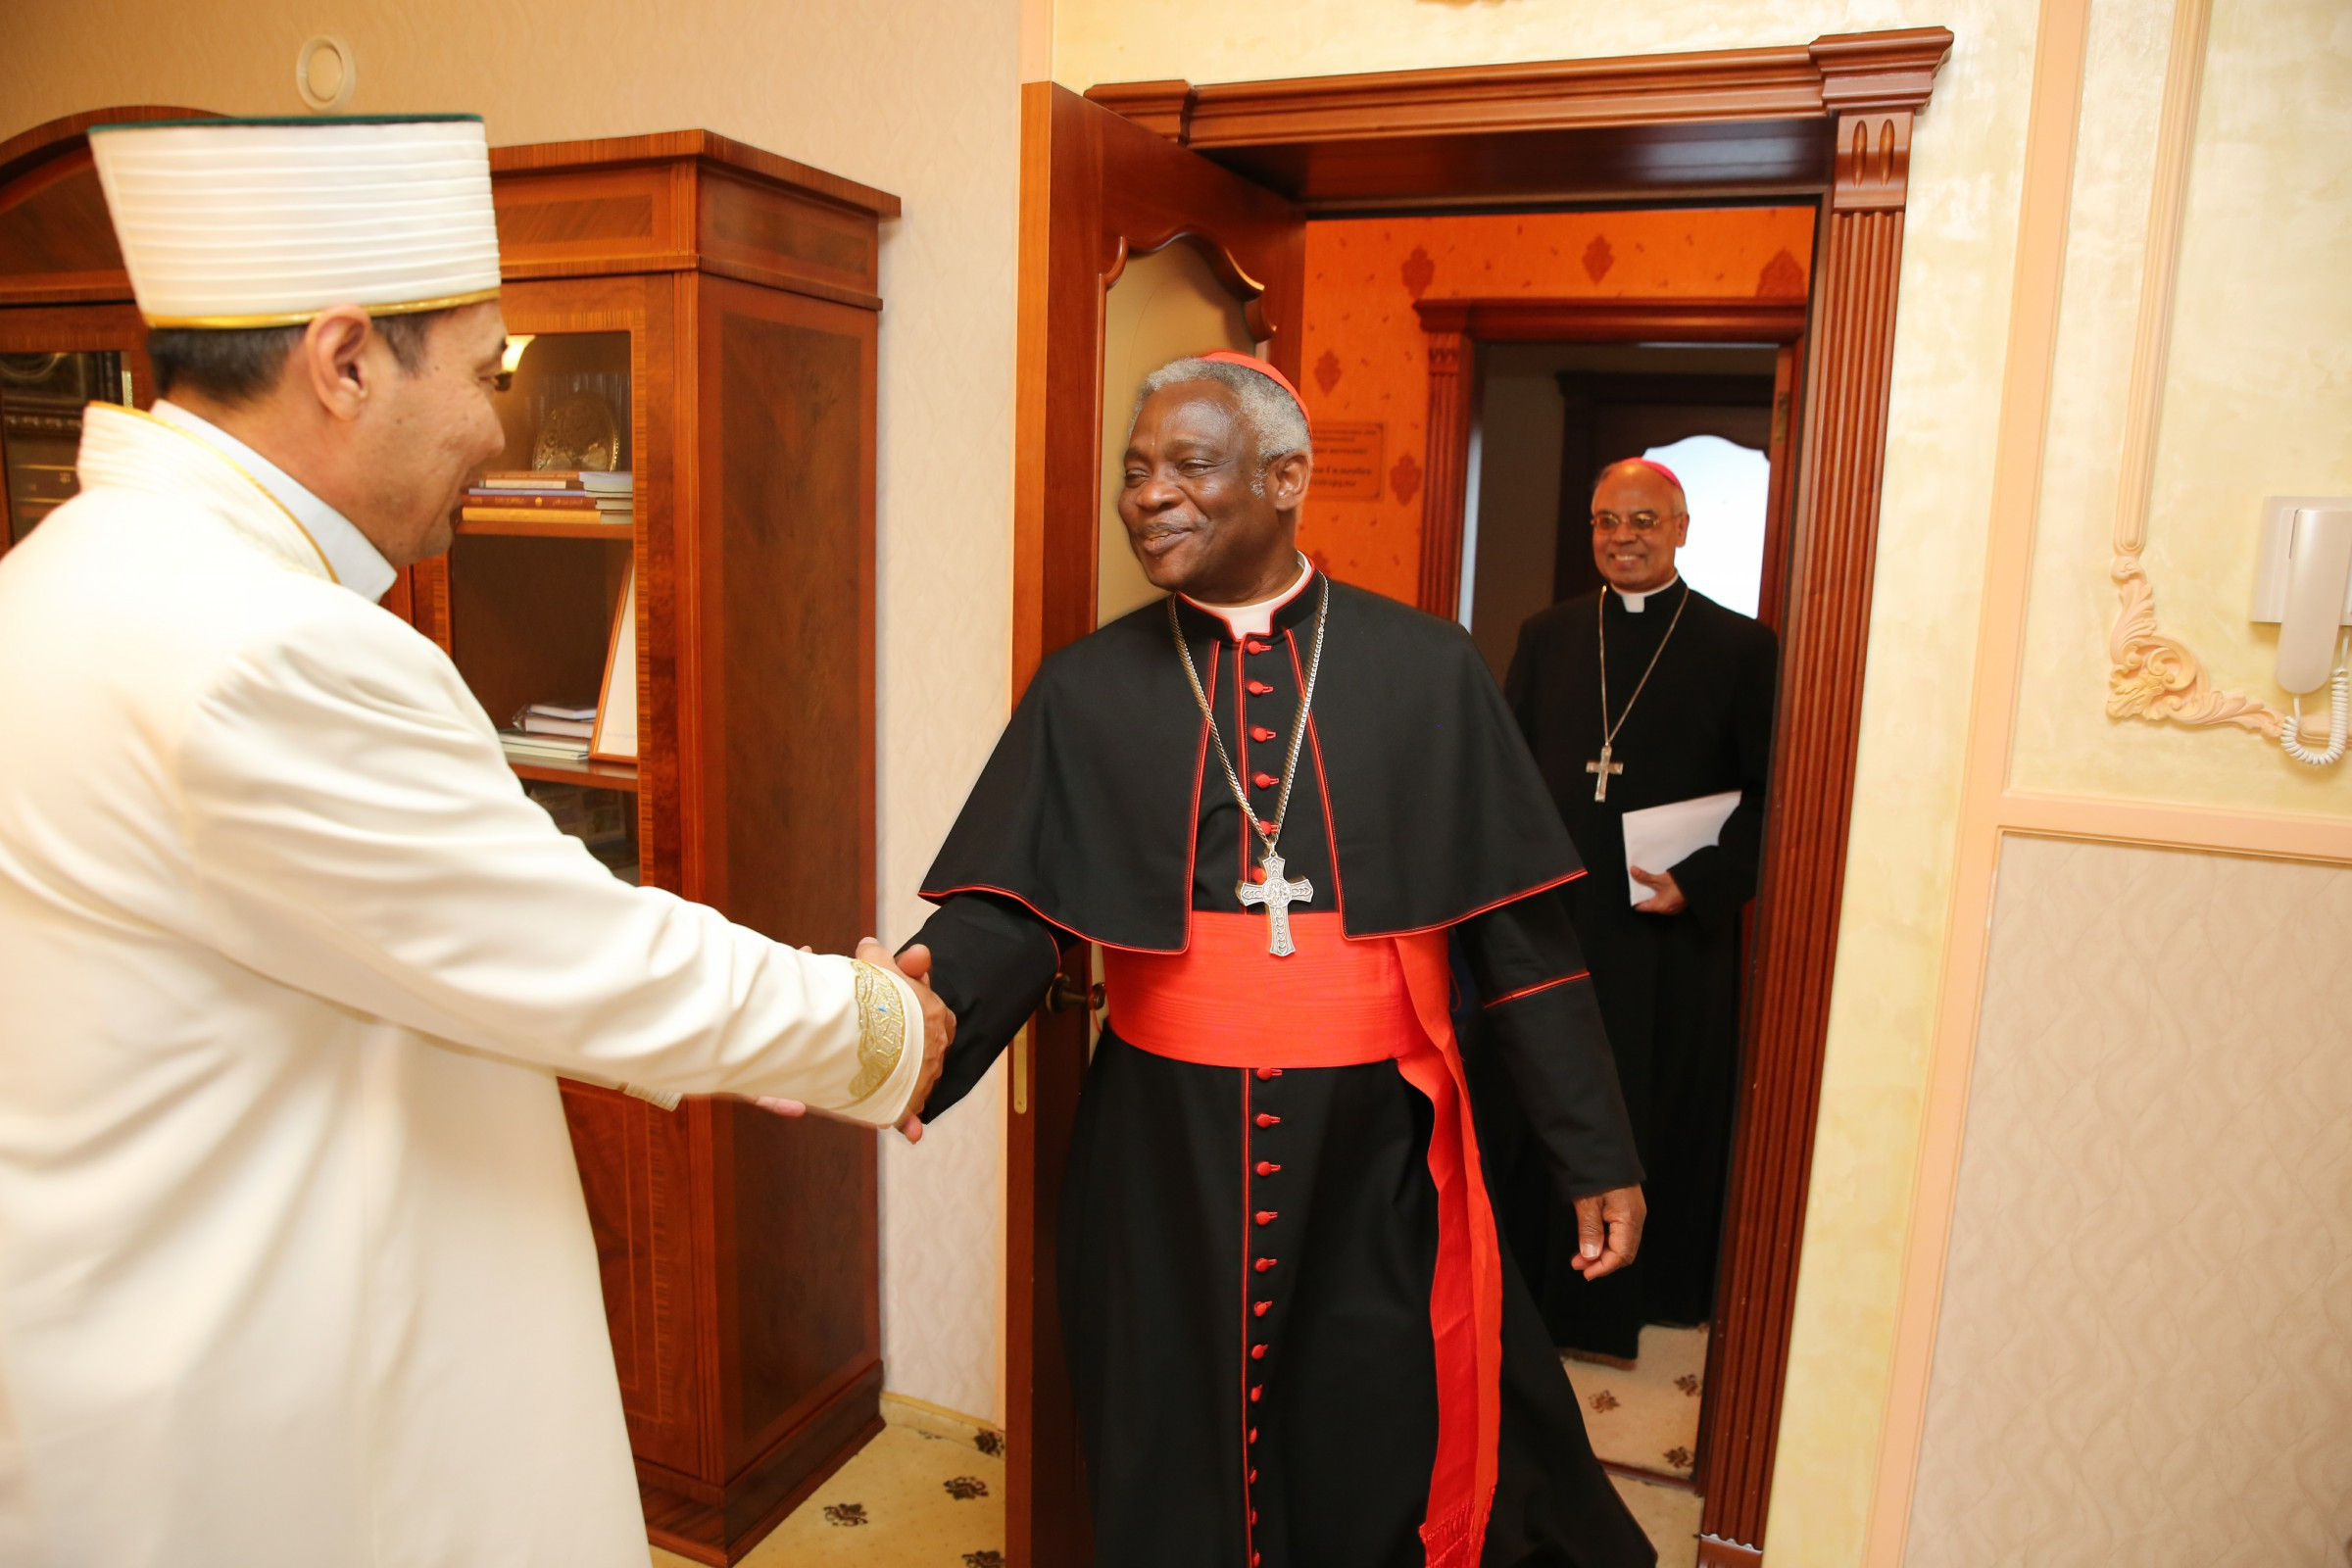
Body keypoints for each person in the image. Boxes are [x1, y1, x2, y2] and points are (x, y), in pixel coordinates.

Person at [0, 115, 949, 1566]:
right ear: (345, 362)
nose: (502, 428)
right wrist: (875, 1029)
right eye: (488, 372)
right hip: (259, 1377)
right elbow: (582, 954)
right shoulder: (261, 646)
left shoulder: (67, 566)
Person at [903, 352, 1656, 1568]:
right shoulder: (1086, 687)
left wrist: (1596, 1149)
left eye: (1189, 465)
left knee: (1373, 1441)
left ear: (1286, 477)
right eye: (1136, 470)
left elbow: (1521, 938)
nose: (1151, 494)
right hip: (1160, 1155)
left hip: (1377, 1154)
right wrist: (910, 1015)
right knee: (1168, 1447)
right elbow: (1009, 909)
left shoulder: (1430, 669)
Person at [1494, 458, 1779, 1365]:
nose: (1623, 537)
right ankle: (1532, 1296)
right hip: (1558, 926)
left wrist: (1704, 882)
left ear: (1682, 528)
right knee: (1543, 1093)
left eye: (1644, 521)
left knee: (1649, 1102)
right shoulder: (1549, 637)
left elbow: (1774, 796)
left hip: (1668, 939)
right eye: (1607, 521)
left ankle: (1641, 1296)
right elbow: (1505, 774)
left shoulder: (1741, 647)